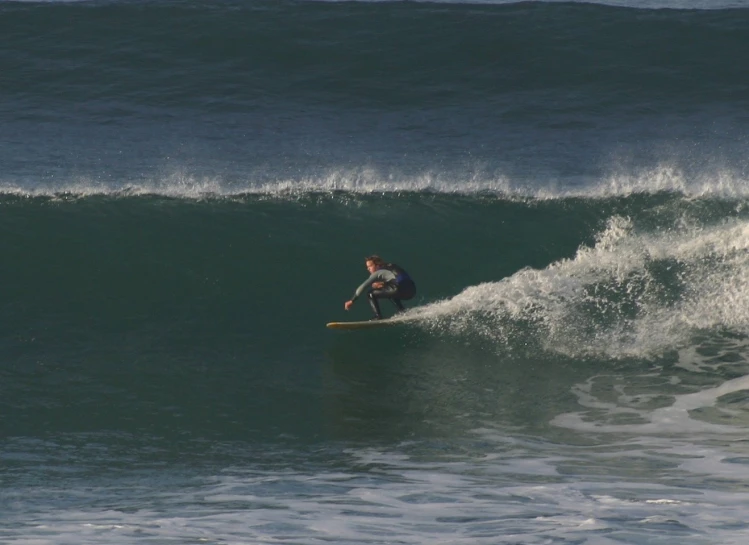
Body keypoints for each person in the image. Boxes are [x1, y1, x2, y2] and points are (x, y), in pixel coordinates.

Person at [344, 255, 416, 320]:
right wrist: (383, 284)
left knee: (370, 294)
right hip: (411, 290)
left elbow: (363, 286)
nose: (368, 269)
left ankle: (378, 316)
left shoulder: (377, 272)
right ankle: (403, 312)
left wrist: (352, 300)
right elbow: (399, 278)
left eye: (370, 266)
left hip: (398, 288)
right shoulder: (391, 266)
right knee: (390, 292)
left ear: (377, 265)